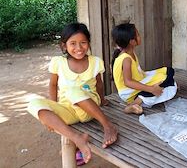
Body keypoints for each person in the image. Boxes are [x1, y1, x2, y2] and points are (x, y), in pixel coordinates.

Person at [28, 23, 118, 164]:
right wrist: (52, 108)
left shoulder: (95, 62)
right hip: (69, 110)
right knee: (33, 104)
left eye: (83, 43)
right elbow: (52, 85)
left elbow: (99, 84)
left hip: (89, 109)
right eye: (73, 44)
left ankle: (108, 126)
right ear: (64, 46)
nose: (78, 48)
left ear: (88, 43)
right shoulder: (58, 62)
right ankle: (77, 138)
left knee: (72, 90)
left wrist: (101, 100)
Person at [111, 23, 177, 114]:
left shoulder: (130, 52)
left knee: (168, 71)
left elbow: (137, 73)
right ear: (132, 41)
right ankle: (134, 104)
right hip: (128, 92)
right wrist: (151, 89)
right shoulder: (126, 59)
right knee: (164, 81)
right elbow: (128, 82)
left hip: (138, 80)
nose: (139, 36)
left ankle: (167, 84)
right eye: (137, 35)